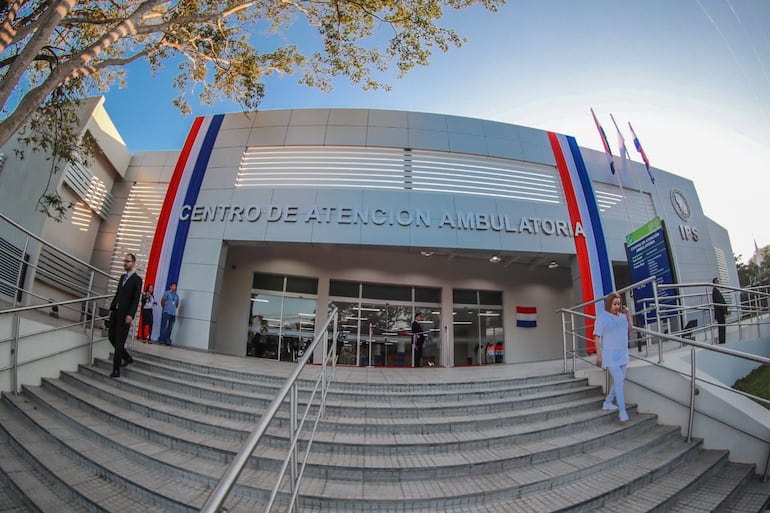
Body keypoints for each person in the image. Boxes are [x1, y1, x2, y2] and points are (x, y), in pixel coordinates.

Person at [594, 292, 632, 422]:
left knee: (618, 381)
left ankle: (608, 402)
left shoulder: (622, 317)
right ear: (609, 304)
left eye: (619, 304)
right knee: (619, 381)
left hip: (622, 353)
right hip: (610, 355)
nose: (617, 306)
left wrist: (628, 315)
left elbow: (629, 329)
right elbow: (597, 336)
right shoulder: (602, 317)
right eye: (614, 304)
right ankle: (622, 411)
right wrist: (599, 355)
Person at [108, 253, 142, 378]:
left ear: (133, 263)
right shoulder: (122, 277)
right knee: (111, 337)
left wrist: (130, 315)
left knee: (119, 341)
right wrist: (112, 307)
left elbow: (135, 299)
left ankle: (116, 370)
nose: (125, 263)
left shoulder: (137, 280)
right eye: (124, 261)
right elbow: (118, 294)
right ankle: (127, 357)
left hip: (125, 316)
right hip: (116, 313)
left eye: (128, 261)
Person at [712, 277, 727, 344]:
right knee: (721, 328)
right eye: (717, 281)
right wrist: (724, 312)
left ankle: (722, 341)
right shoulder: (715, 291)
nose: (719, 282)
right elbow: (719, 302)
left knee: (722, 328)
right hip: (720, 313)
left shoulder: (717, 291)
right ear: (715, 282)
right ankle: (722, 342)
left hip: (720, 313)